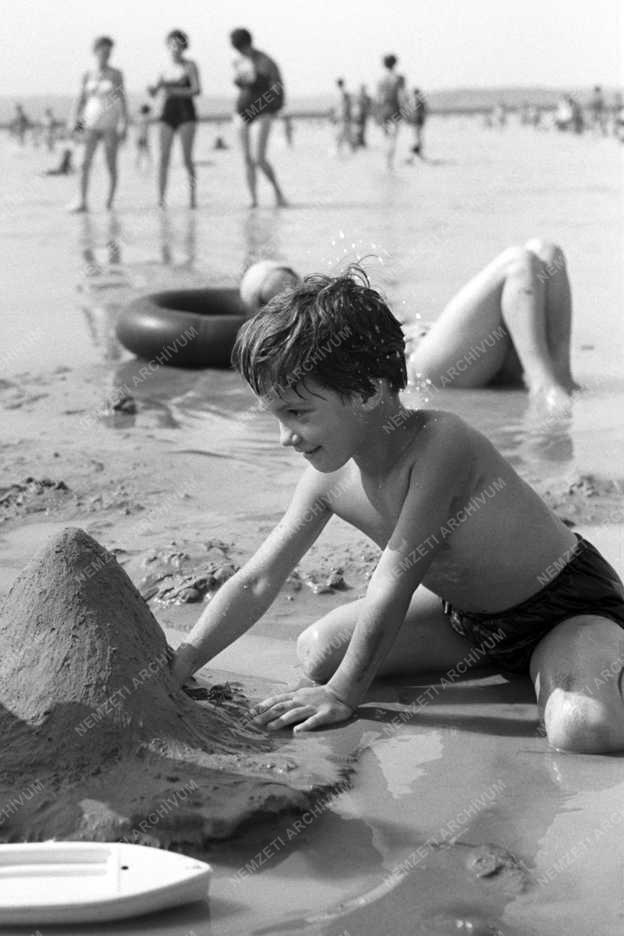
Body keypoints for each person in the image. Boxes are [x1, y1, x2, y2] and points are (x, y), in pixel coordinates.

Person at [171, 269, 624, 755]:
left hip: (564, 609)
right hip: (465, 619)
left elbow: (396, 577)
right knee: (319, 650)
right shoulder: (329, 477)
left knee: (583, 730)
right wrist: (184, 661)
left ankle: (595, 657)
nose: (286, 437)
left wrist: (344, 693)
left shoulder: (441, 445)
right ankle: (513, 664)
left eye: (298, 413)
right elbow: (259, 579)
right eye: (276, 416)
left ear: (368, 391)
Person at [239, 239, 577, 411]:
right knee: (519, 262)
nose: (288, 292)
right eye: (274, 295)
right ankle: (542, 383)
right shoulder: (295, 340)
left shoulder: (322, 301)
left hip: (458, 352)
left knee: (546, 252)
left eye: (288, 282)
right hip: (422, 371)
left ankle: (559, 376)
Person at [69, 36, 128, 213]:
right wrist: (74, 124)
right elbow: (80, 101)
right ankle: (82, 200)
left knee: (110, 163)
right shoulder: (87, 74)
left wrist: (124, 122)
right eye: (103, 50)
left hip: (110, 123)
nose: (106, 53)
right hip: (89, 122)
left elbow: (122, 99)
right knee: (84, 163)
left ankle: (109, 202)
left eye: (109, 51)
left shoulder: (116, 74)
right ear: (95, 51)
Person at [229, 28, 286, 207]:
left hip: (262, 110)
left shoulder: (266, 61)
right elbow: (241, 84)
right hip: (243, 110)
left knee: (259, 158)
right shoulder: (238, 61)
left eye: (242, 48)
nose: (241, 52)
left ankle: (277, 191)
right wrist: (241, 81)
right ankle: (253, 199)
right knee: (246, 158)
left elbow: (277, 88)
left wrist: (263, 105)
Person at [149, 29, 201, 209]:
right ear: (168, 46)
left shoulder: (190, 66)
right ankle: (161, 200)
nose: (176, 48)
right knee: (163, 157)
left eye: (179, 45)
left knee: (187, 159)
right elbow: (157, 91)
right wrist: (153, 91)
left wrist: (174, 91)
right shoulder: (164, 68)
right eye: (172, 45)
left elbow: (196, 90)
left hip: (186, 112)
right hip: (167, 112)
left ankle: (193, 197)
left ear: (184, 47)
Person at [376, 54, 408, 170]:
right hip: (395, 109)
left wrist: (378, 114)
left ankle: (386, 163)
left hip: (383, 110)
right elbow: (402, 96)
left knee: (385, 137)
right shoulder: (399, 78)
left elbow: (378, 98)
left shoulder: (381, 79)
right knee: (393, 138)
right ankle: (389, 164)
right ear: (395, 63)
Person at [332, 78, 354, 156]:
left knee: (341, 134)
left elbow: (344, 106)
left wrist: (338, 116)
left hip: (342, 117)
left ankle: (340, 150)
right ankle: (349, 149)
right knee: (345, 134)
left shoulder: (342, 94)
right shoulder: (343, 93)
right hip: (343, 117)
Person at [407, 88, 427, 159]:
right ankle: (415, 155)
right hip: (417, 122)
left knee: (417, 138)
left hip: (417, 122)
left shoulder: (418, 102)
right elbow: (423, 113)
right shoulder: (420, 101)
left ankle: (415, 155)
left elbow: (421, 113)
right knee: (417, 138)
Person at [135, 104, 152, 169]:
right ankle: (149, 162)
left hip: (140, 137)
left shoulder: (140, 118)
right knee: (145, 151)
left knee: (141, 151)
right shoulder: (145, 118)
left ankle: (138, 163)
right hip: (143, 138)